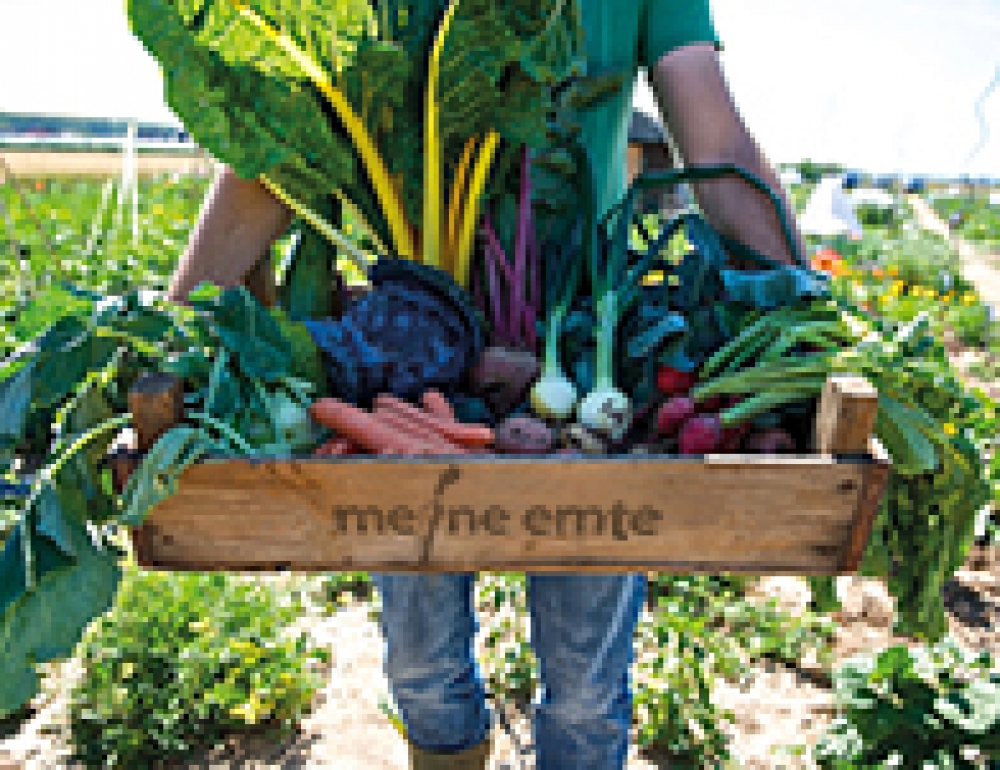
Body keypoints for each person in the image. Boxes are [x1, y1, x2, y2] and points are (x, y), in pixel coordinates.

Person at [165, 3, 804, 768]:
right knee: (421, 668)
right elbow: (267, 155)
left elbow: (719, 142)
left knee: (586, 684)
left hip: (582, 354)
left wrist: (806, 303)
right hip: (414, 367)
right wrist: (174, 333)